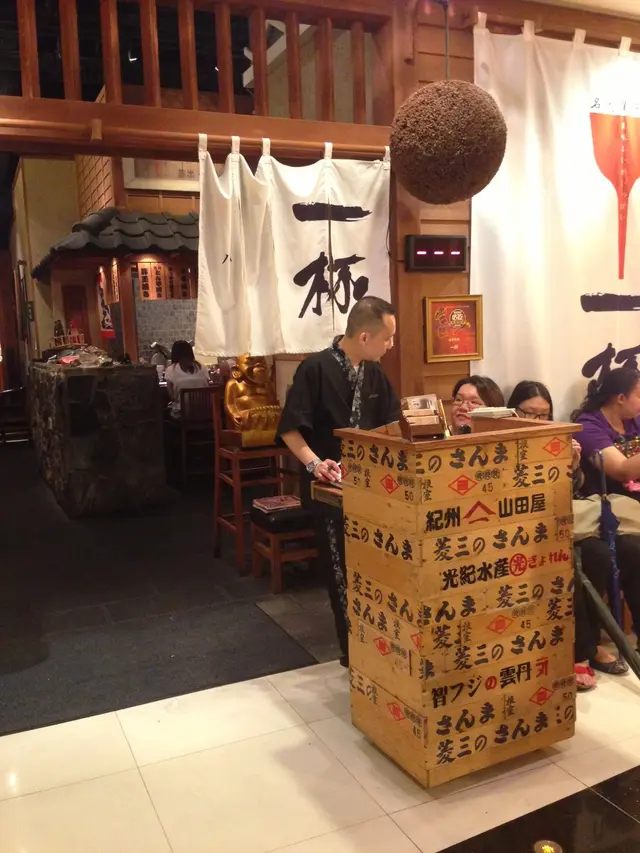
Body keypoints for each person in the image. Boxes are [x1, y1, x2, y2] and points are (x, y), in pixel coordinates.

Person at [277, 297, 401, 666]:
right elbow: (290, 429)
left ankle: (379, 650)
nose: (391, 345)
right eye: (387, 338)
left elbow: (393, 423)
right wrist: (315, 464)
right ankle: (354, 654)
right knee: (341, 571)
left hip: (371, 488)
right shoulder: (314, 368)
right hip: (330, 487)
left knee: (375, 570)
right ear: (364, 337)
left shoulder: (374, 373)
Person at [508, 380, 631, 689]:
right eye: (529, 414)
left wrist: (573, 466)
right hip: (518, 530)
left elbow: (570, 492)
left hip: (560, 522)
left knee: (597, 554)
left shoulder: (556, 438)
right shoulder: (502, 439)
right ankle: (581, 651)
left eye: (543, 415)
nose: (537, 421)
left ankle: (589, 645)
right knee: (565, 564)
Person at [574, 367, 640, 499]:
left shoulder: (634, 418)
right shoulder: (587, 426)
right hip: (611, 502)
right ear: (621, 398)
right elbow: (622, 471)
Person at [165, 340, 210, 417]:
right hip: (205, 412)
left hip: (184, 413)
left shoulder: (171, 369)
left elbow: (172, 397)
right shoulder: (203, 367)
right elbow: (207, 385)